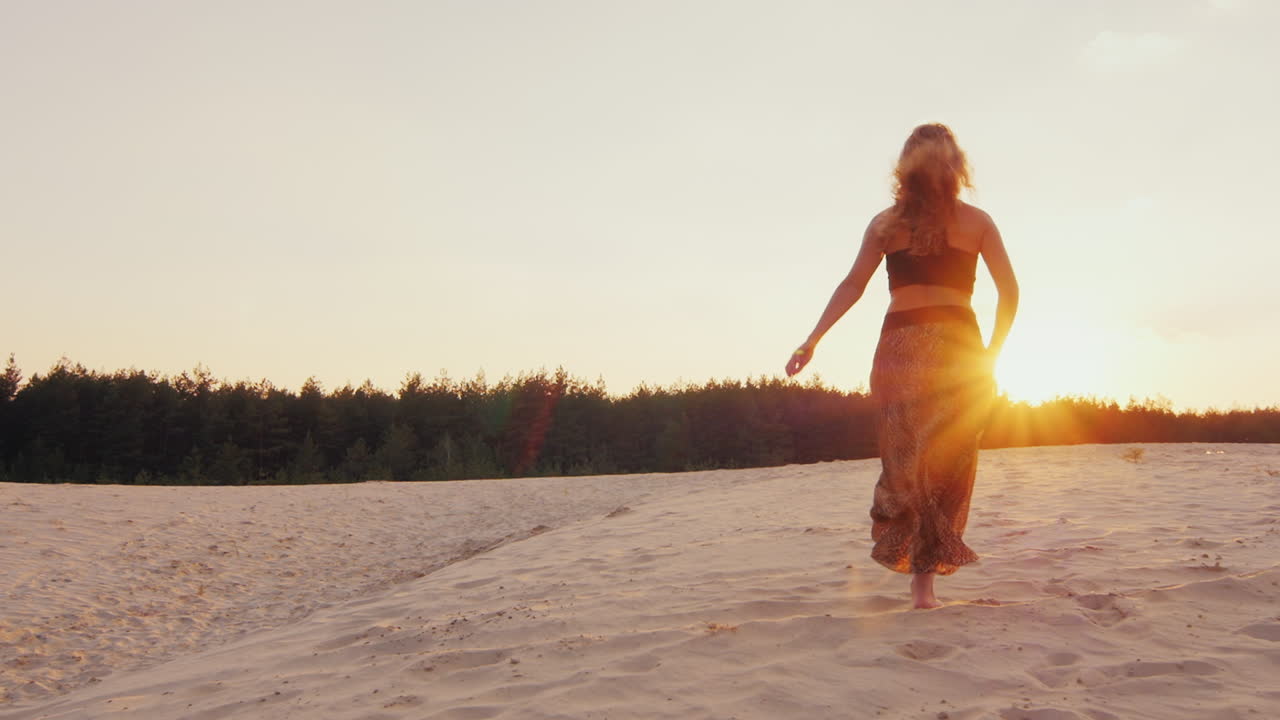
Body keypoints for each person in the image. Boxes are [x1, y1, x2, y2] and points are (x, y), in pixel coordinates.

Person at [784, 123, 1019, 609]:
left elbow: (1009, 291)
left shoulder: (965, 221)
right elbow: (853, 284)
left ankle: (923, 584)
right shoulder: (892, 224)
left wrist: (991, 355)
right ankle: (922, 584)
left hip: (941, 350)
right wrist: (812, 339)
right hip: (922, 351)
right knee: (917, 463)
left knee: (934, 464)